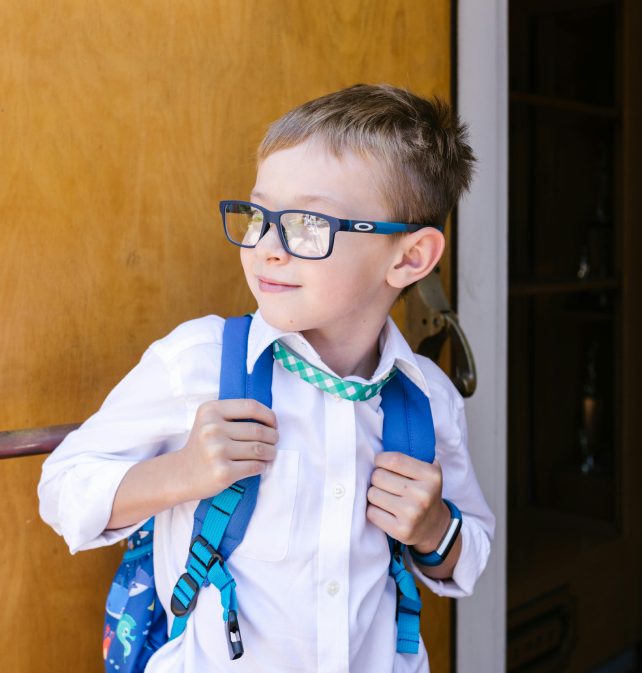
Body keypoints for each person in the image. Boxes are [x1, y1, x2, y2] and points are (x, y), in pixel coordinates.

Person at [39, 83, 494, 673]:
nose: (265, 248)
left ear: (409, 258)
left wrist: (435, 529)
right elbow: (62, 488)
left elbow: (469, 555)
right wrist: (178, 473)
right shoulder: (199, 362)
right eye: (259, 215)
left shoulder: (427, 399)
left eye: (307, 223)